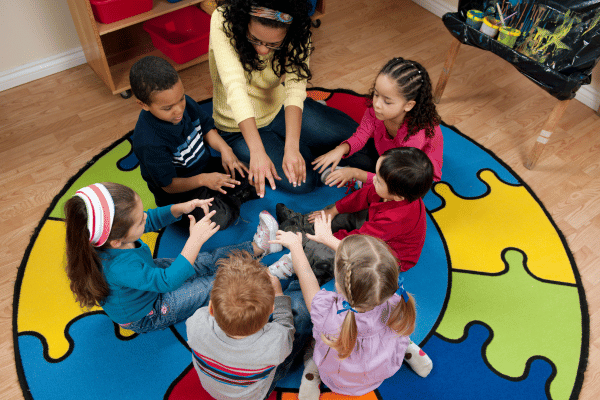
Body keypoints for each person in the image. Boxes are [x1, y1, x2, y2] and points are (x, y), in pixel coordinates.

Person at [64, 182, 282, 333]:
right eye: (139, 221)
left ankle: (258, 247)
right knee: (214, 285)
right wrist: (194, 240)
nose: (144, 219)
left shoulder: (115, 237)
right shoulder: (119, 267)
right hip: (151, 311)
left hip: (149, 278)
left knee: (202, 260)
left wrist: (180, 208)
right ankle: (266, 276)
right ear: (116, 242)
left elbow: (151, 219)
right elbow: (167, 282)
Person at [209, 0, 358, 197]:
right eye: (254, 39)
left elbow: (295, 88)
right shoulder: (223, 19)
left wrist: (292, 147)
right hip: (236, 127)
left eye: (273, 44)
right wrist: (257, 152)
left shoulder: (298, 30)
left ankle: (300, 142)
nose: (262, 50)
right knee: (302, 183)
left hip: (277, 107)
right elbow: (236, 90)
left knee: (352, 134)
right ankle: (305, 144)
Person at [269, 223, 431, 398]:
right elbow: (371, 267)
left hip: (339, 381)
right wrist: (329, 240)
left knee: (316, 345)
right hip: (381, 369)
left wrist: (295, 246)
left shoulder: (327, 313)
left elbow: (306, 275)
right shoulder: (393, 294)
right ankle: (407, 348)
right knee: (396, 332)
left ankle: (311, 374)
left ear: (338, 285)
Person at [130, 56, 257, 230]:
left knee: (252, 175)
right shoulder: (148, 142)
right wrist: (204, 180)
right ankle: (225, 201)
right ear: (143, 104)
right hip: (179, 192)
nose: (179, 110)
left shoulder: (185, 104)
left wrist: (225, 149)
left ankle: (225, 198)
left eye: (181, 99)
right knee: (218, 219)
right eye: (167, 108)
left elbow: (206, 129)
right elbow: (168, 186)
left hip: (205, 168)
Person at [274, 147, 433, 278]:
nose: (373, 179)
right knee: (339, 212)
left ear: (398, 196)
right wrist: (334, 210)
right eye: (376, 174)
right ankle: (300, 226)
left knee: (329, 253)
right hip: (372, 229)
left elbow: (358, 243)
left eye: (378, 180)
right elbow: (361, 197)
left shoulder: (396, 219)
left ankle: (302, 257)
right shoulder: (388, 191)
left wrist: (327, 239)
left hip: (383, 256)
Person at [312, 57, 443, 189]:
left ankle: (359, 177)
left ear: (408, 105)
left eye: (387, 101)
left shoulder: (414, 136)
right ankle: (360, 175)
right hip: (388, 155)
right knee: (343, 146)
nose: (377, 104)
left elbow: (395, 176)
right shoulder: (376, 111)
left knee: (390, 193)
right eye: (376, 94)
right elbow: (361, 135)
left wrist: (355, 173)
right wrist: (340, 149)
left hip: (410, 172)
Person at [186, 251, 294, 400]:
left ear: (211, 309)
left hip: (213, 389)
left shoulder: (197, 323)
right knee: (299, 312)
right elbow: (286, 328)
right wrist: (279, 295)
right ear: (271, 310)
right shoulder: (276, 341)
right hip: (254, 395)